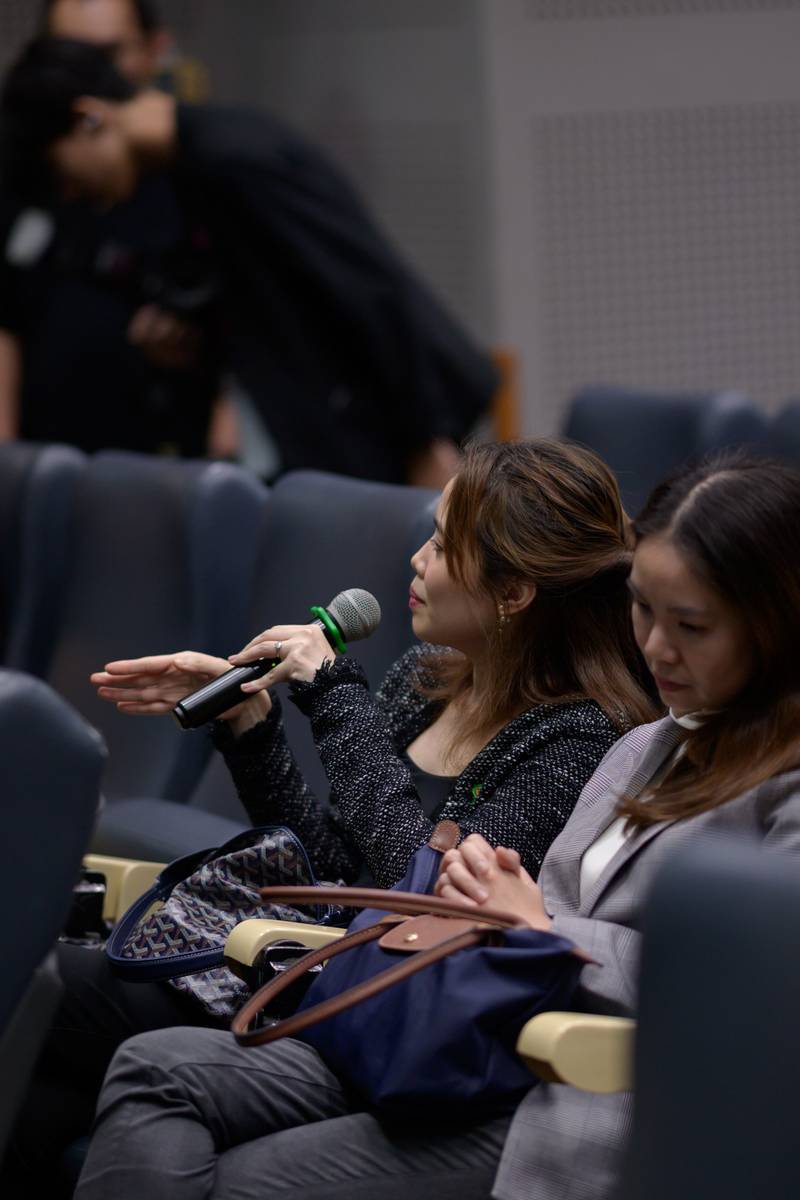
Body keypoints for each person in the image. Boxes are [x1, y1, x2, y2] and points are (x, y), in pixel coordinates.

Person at [72, 453, 800, 1200]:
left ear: (772, 625)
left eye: (690, 625)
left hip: (568, 1085)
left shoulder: (597, 737)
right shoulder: (644, 747)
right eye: (643, 610)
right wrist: (251, 726)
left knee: (225, 1167)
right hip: (442, 1024)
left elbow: (755, 985)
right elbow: (354, 874)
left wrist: (541, 928)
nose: (655, 647)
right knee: (146, 1066)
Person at [1, 35, 497, 486]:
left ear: (90, 117)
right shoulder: (190, 168)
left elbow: (365, 286)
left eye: (58, 173)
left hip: (398, 436)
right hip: (339, 439)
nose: (71, 194)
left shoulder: (237, 156)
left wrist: (426, 438)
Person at [0, 2, 227, 457]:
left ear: (154, 49)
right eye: (68, 50)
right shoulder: (28, 167)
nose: (82, 70)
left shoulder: (199, 172)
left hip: (162, 456)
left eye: (107, 53)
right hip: (41, 455)